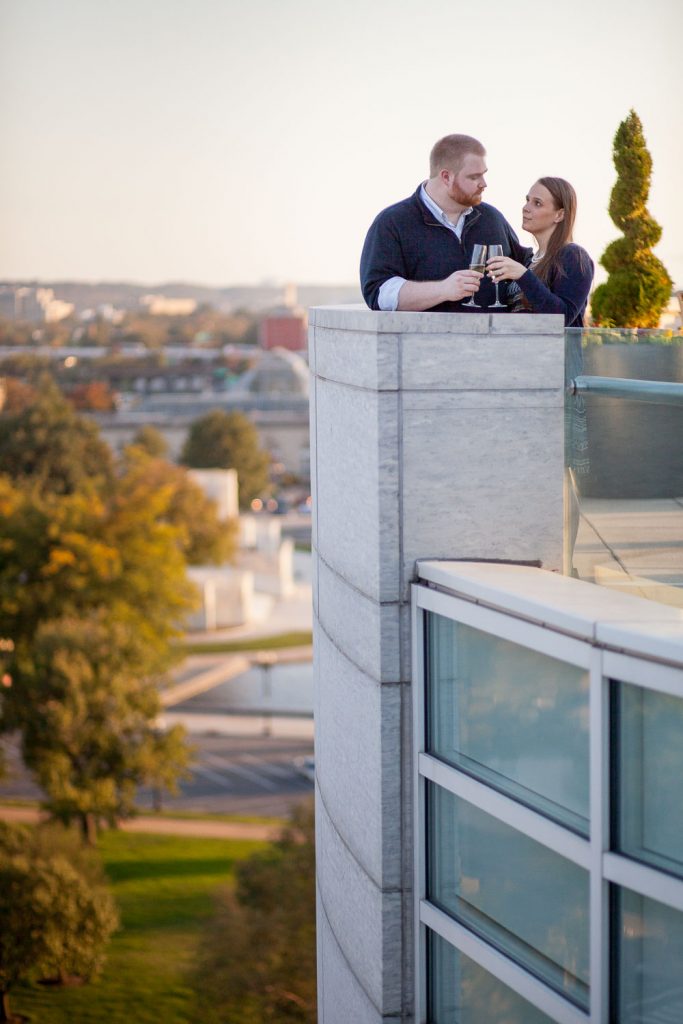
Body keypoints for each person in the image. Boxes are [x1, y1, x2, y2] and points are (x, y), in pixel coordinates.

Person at [360, 134, 531, 313]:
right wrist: (443, 289)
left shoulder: (492, 218)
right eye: (474, 177)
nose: (484, 184)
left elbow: (527, 264)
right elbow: (379, 293)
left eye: (483, 175)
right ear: (446, 177)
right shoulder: (392, 222)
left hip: (497, 340)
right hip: (427, 341)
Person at [486, 177, 594, 326]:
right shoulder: (529, 261)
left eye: (537, 203)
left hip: (558, 350)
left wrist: (523, 276)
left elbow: (563, 318)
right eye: (527, 200)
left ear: (559, 215)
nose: (526, 207)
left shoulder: (574, 256)